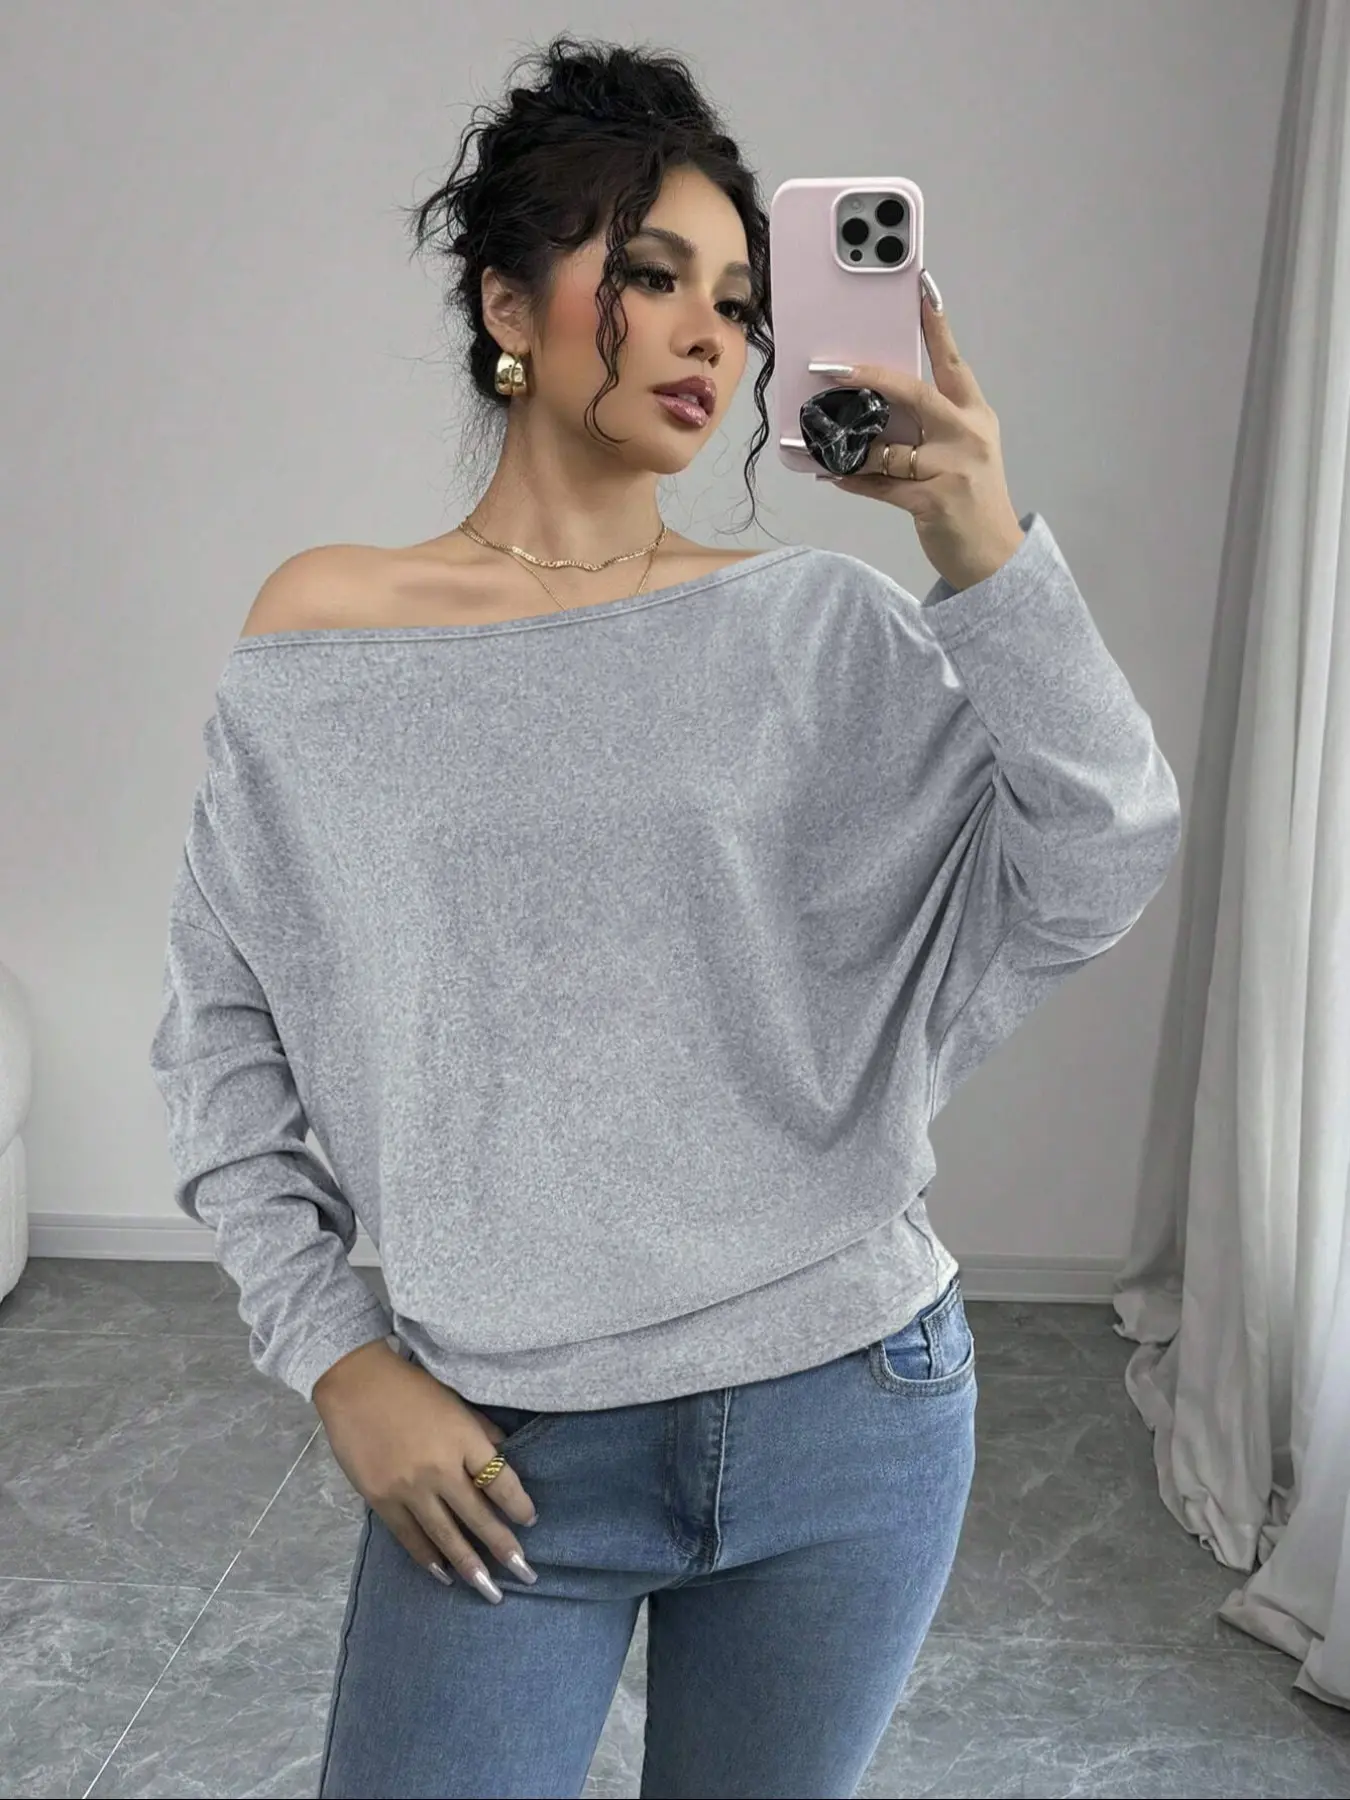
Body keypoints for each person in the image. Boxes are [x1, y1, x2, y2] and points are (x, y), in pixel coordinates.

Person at [148, 31, 1183, 1800]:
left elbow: (1097, 849)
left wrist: (978, 537)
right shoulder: (325, 635)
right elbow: (223, 1040)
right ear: (507, 301)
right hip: (505, 1444)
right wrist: (339, 1359)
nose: (710, 332)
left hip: (852, 1409)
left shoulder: (822, 628)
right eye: (648, 274)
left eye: (738, 300)